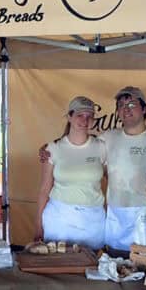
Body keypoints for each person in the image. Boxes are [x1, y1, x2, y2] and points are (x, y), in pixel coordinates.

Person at [40, 87, 146, 251]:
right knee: (116, 266)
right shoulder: (107, 139)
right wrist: (49, 148)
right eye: (121, 105)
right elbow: (78, 146)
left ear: (144, 109)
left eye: (131, 104)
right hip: (116, 218)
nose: (125, 110)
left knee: (144, 267)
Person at [35, 96, 106, 249]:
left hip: (92, 221)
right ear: (69, 117)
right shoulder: (52, 148)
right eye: (80, 115)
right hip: (59, 219)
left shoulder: (102, 147)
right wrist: (38, 226)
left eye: (89, 116)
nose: (84, 120)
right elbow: (44, 190)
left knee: (90, 267)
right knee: (58, 266)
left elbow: (115, 179)